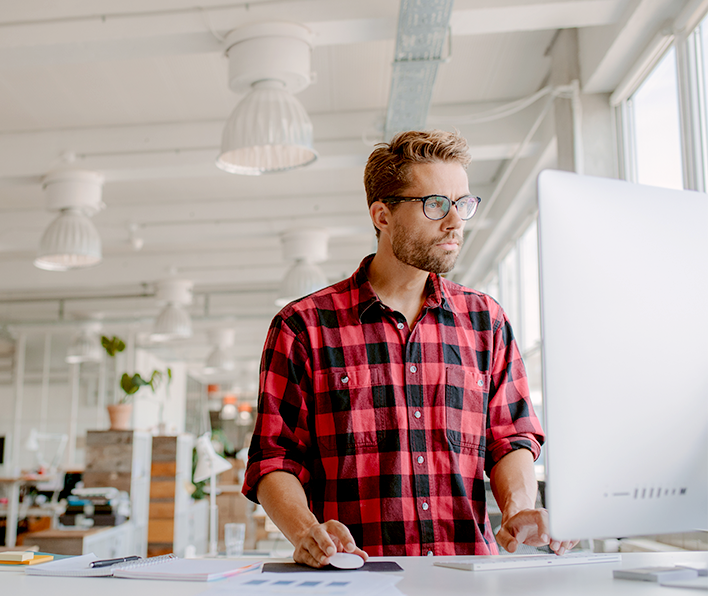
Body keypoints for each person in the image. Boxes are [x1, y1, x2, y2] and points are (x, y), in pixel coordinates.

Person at [242, 130, 575, 567]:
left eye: (463, 205)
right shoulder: (303, 326)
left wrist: (517, 508)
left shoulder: (485, 321)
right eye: (435, 205)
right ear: (382, 214)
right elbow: (274, 457)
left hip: (467, 579)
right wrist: (308, 532)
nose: (455, 222)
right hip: (354, 580)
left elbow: (510, 438)